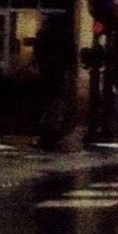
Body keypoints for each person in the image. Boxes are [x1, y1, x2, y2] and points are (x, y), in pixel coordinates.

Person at [34, 15, 77, 151]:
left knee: (49, 104)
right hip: (60, 73)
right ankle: (53, 132)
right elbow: (71, 54)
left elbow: (38, 53)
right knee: (57, 104)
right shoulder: (66, 35)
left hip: (47, 73)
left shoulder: (43, 34)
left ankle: (47, 133)